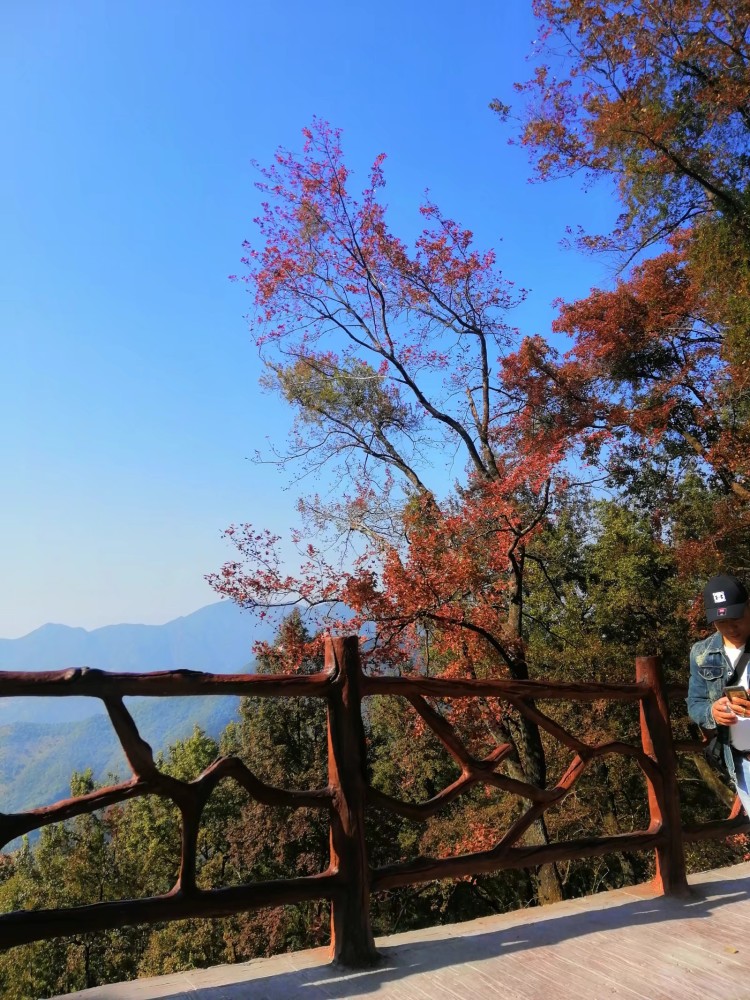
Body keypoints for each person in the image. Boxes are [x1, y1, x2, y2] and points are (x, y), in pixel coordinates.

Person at [687, 572, 750, 815]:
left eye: (736, 618)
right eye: (721, 622)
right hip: (742, 764)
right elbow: (695, 703)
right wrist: (713, 712)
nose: (730, 627)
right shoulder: (702, 653)